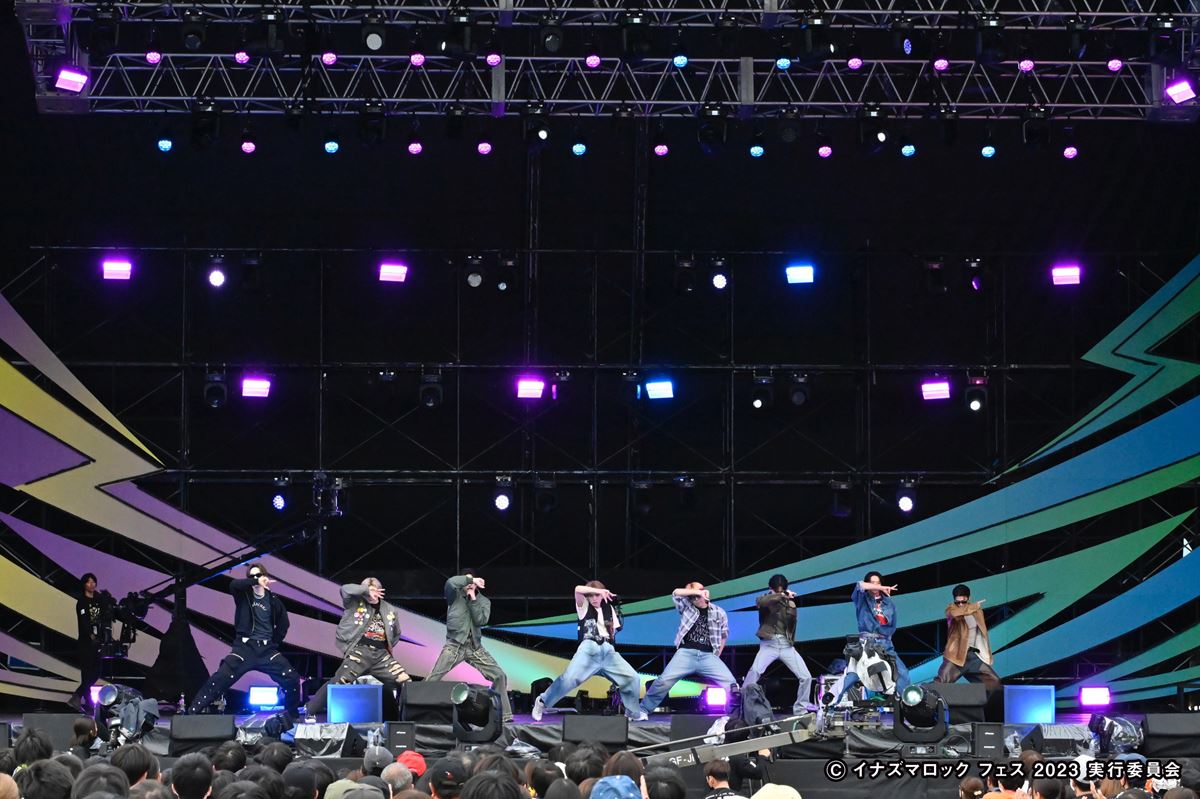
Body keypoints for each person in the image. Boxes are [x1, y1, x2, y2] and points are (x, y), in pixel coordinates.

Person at [188, 563, 300, 721]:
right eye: (252, 576)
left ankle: (292, 715)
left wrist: (274, 642)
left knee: (291, 677)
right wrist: (255, 581)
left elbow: (284, 623)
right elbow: (233, 584)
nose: (256, 578)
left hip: (266, 649)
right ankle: (192, 712)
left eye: (258, 575)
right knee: (219, 679)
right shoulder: (243, 595)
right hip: (244, 648)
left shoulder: (273, 600)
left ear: (265, 576)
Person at [531, 582, 644, 722]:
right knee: (569, 679)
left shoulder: (609, 609)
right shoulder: (583, 606)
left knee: (632, 678)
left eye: (597, 595)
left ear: (602, 596)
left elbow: (613, 631)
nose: (594, 598)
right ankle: (542, 702)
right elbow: (577, 589)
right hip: (589, 650)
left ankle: (632, 713)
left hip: (607, 651)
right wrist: (599, 591)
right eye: (591, 595)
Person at [304, 578, 410, 716]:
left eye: (374, 590)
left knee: (405, 682)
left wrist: (385, 647)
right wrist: (365, 590)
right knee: (339, 681)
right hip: (359, 653)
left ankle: (401, 719)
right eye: (367, 591)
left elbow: (396, 633)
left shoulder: (390, 609)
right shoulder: (354, 602)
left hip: (382, 656)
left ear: (380, 592)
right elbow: (345, 589)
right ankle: (309, 710)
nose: (370, 594)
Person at [426, 568, 511, 722]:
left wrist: (473, 599)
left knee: (499, 676)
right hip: (454, 646)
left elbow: (481, 620)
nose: (470, 584)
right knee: (433, 678)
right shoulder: (454, 595)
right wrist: (471, 580)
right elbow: (450, 582)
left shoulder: (484, 601)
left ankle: (503, 715)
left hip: (475, 647)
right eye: (467, 580)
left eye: (472, 581)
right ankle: (419, 711)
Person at [640, 583, 735, 716]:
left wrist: (718, 654)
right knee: (663, 681)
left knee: (731, 684)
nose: (693, 598)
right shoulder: (687, 607)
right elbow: (676, 593)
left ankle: (735, 716)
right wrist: (695, 592)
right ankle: (643, 710)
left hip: (708, 655)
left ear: (704, 592)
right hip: (686, 653)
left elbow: (724, 635)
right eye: (691, 595)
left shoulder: (719, 612)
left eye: (695, 594)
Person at [743, 574, 815, 715]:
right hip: (769, 644)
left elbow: (792, 625)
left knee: (806, 677)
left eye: (782, 590)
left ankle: (800, 708)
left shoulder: (790, 602)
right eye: (777, 590)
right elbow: (760, 602)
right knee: (755, 671)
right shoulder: (765, 599)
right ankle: (743, 704)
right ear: (771, 588)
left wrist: (786, 600)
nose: (780, 592)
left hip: (786, 646)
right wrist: (781, 595)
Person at [850, 571, 909, 692]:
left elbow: (892, 625)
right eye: (872, 583)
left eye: (878, 583)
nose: (875, 585)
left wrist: (886, 637)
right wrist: (882, 588)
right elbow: (861, 585)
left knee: (903, 673)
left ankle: (903, 700)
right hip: (867, 643)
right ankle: (836, 697)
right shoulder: (862, 599)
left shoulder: (888, 603)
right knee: (854, 675)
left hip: (885, 644)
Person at [935, 584, 1001, 693]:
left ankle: (987, 704)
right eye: (957, 602)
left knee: (995, 683)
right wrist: (973, 607)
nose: (960, 604)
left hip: (973, 656)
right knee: (940, 683)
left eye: (963, 601)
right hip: (956, 656)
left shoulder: (977, 611)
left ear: (969, 598)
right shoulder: (951, 609)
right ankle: (915, 695)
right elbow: (956, 614)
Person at [68, 573, 103, 712]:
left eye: (93, 581)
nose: (92, 584)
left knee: (96, 671)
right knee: (87, 672)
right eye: (89, 582)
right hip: (85, 642)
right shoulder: (82, 602)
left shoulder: (99, 599)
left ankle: (77, 696)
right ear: (84, 585)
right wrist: (91, 635)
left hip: (98, 641)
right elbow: (84, 622)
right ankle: (86, 701)